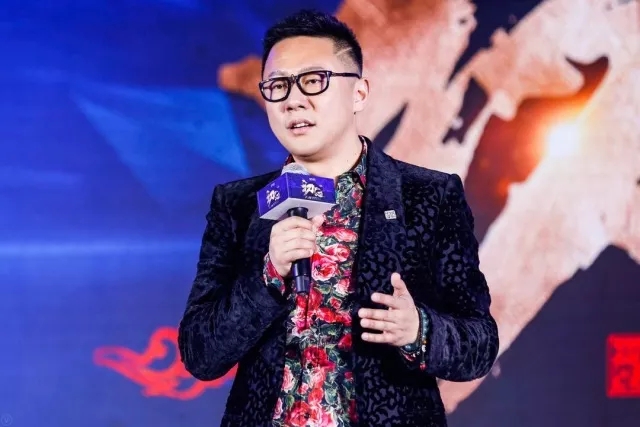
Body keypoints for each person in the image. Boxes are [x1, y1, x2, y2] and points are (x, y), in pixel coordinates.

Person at [178, 9, 499, 427]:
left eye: (314, 80)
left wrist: (418, 329)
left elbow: (479, 344)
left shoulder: (428, 196)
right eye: (277, 86)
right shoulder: (239, 205)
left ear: (359, 93)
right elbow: (200, 354)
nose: (293, 100)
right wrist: (269, 275)